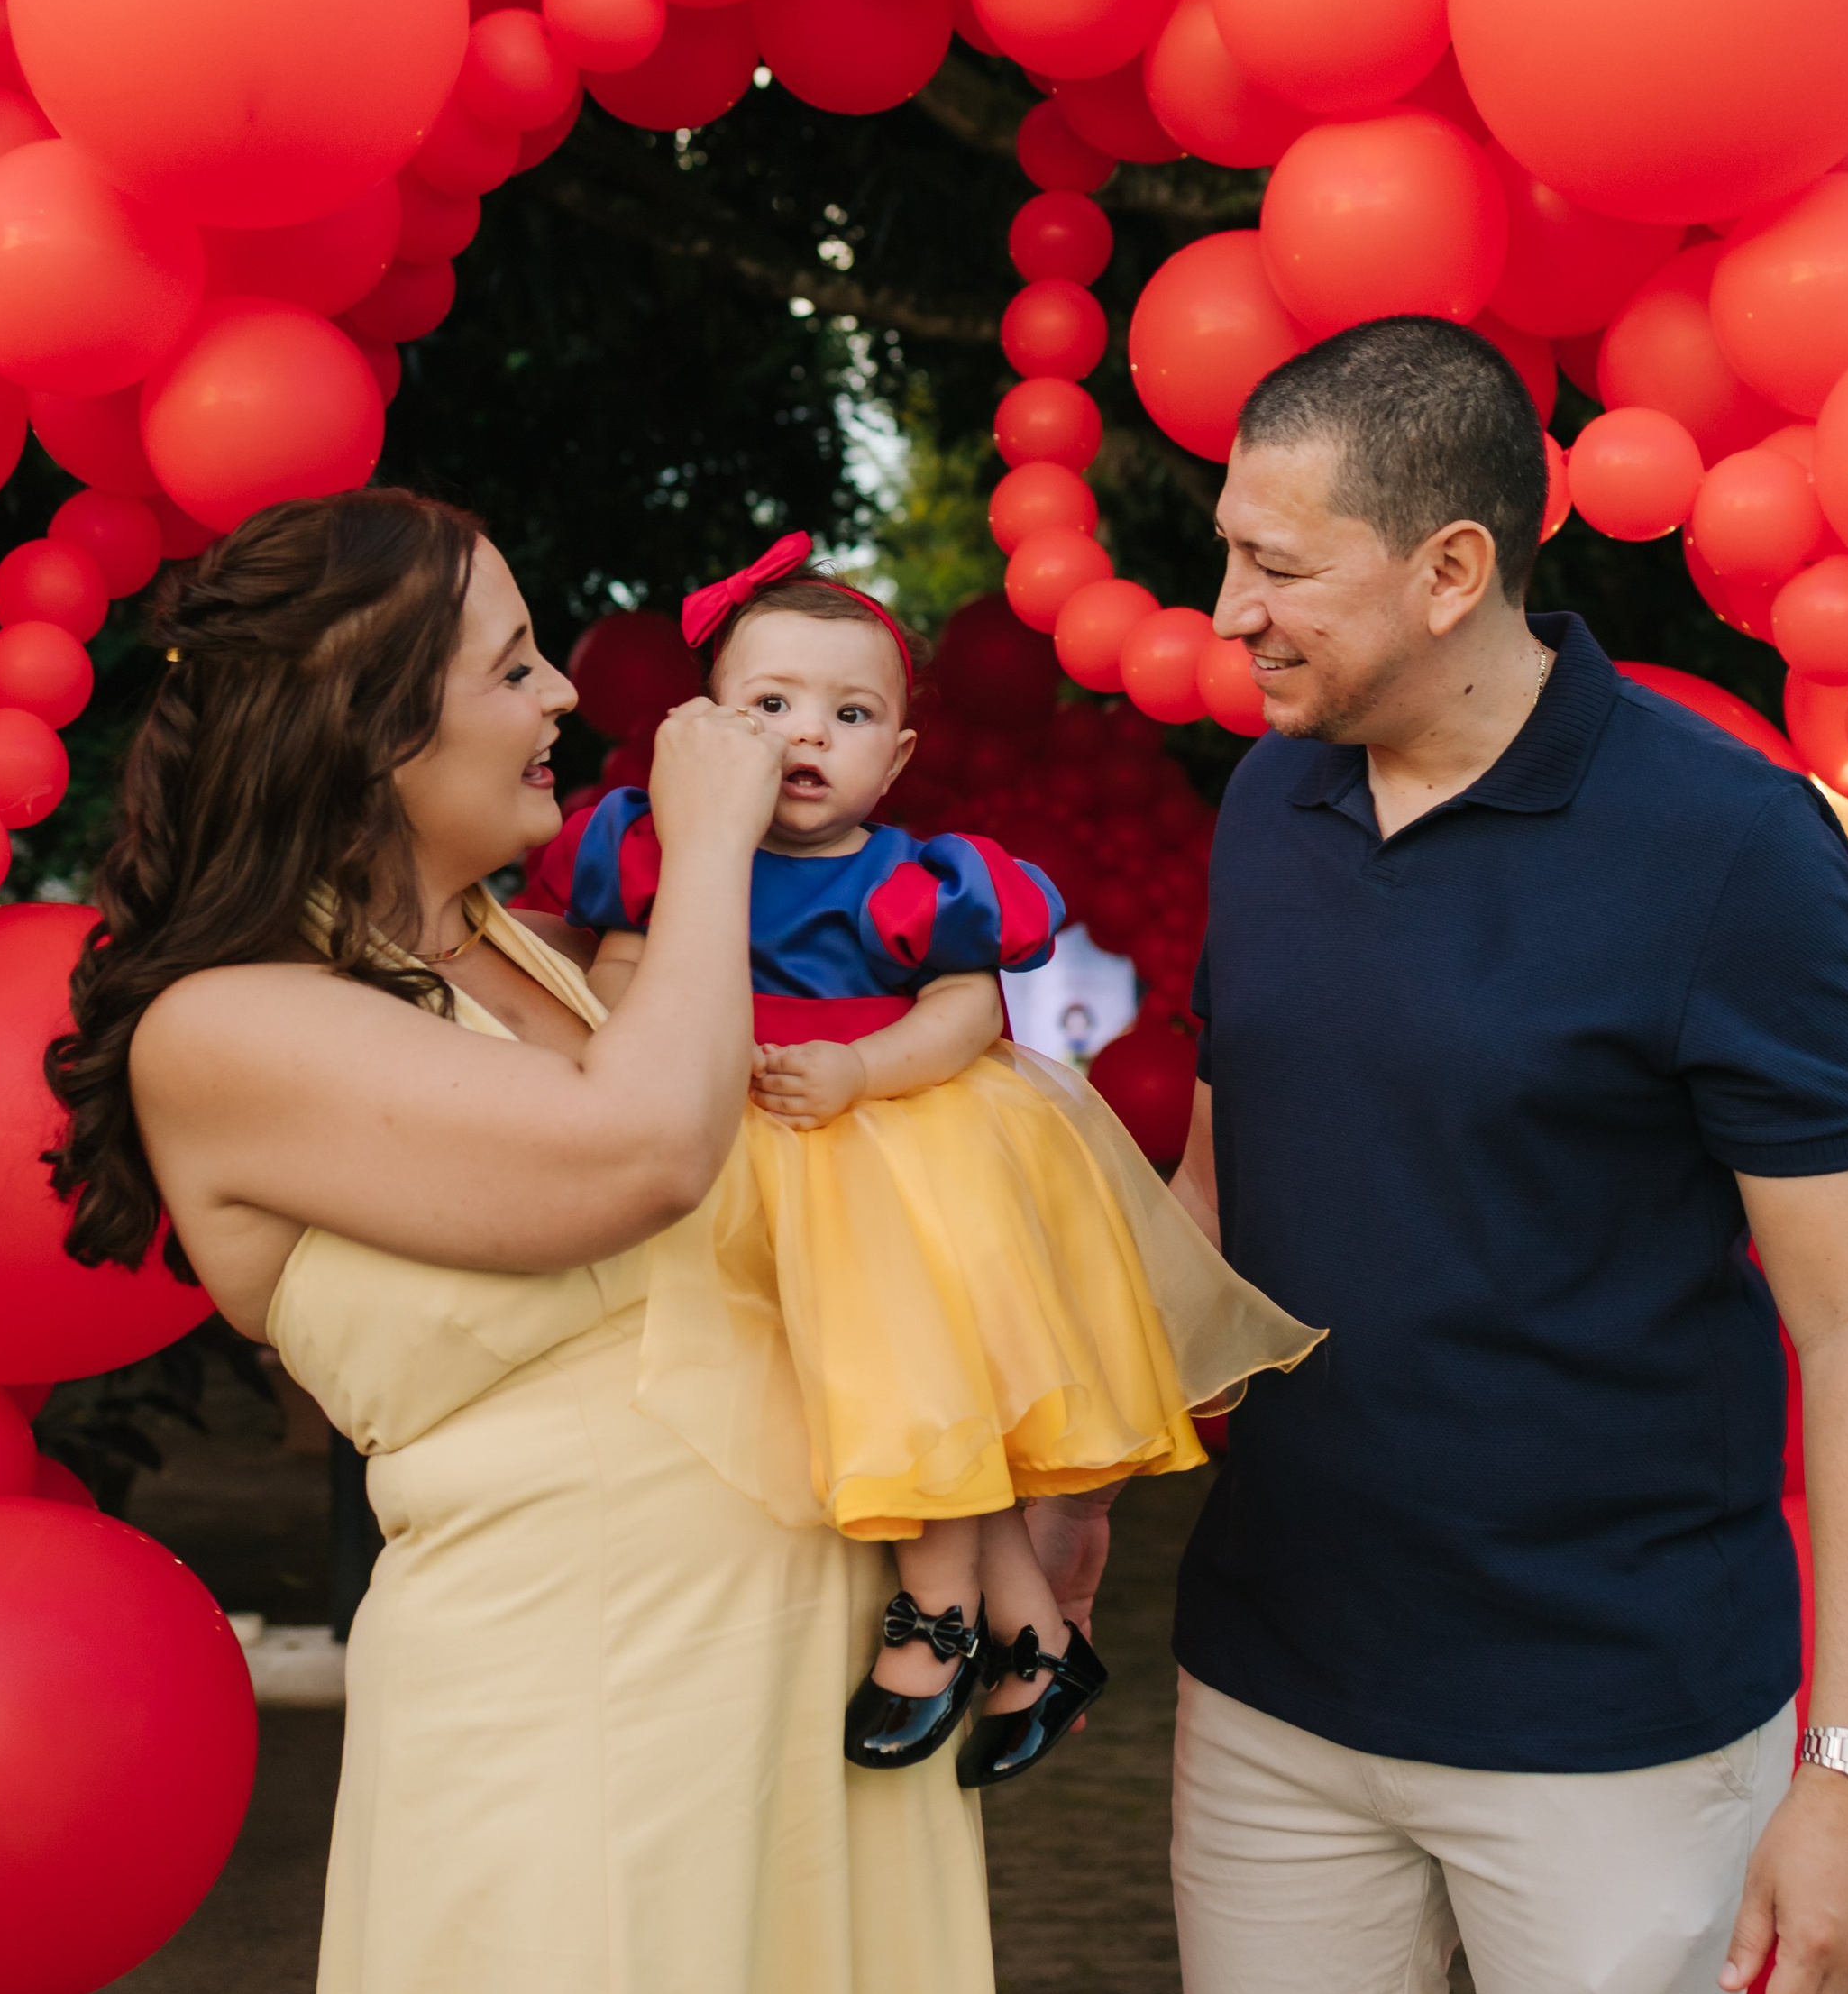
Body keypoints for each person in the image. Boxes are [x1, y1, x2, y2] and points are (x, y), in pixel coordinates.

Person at [42, 488, 1020, 1994]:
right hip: (573, 1742)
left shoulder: (524, 951)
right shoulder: (233, 1030)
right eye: (507, 668)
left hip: (797, 1707)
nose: (570, 697)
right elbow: (643, 1159)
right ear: (367, 732)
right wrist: (726, 835)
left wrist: (1002, 1507)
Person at [1143, 317, 1848, 1994]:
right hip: (1279, 1694)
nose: (1228, 617)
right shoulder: (1269, 795)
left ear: (1452, 569)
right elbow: (1232, 1185)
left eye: (1275, 568)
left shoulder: (1727, 845)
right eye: (1225, 555)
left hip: (1610, 1727)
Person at [558, 534, 1315, 1788]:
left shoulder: (917, 877)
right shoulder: (662, 857)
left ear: (899, 754)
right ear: (705, 730)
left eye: (850, 713)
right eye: (771, 707)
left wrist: (861, 1072)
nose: (809, 735)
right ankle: (1031, 1633)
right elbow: (622, 984)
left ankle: (937, 1620)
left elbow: (968, 1014)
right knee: (892, 1402)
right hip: (741, 1147)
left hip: (895, 1146)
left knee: (900, 1386)